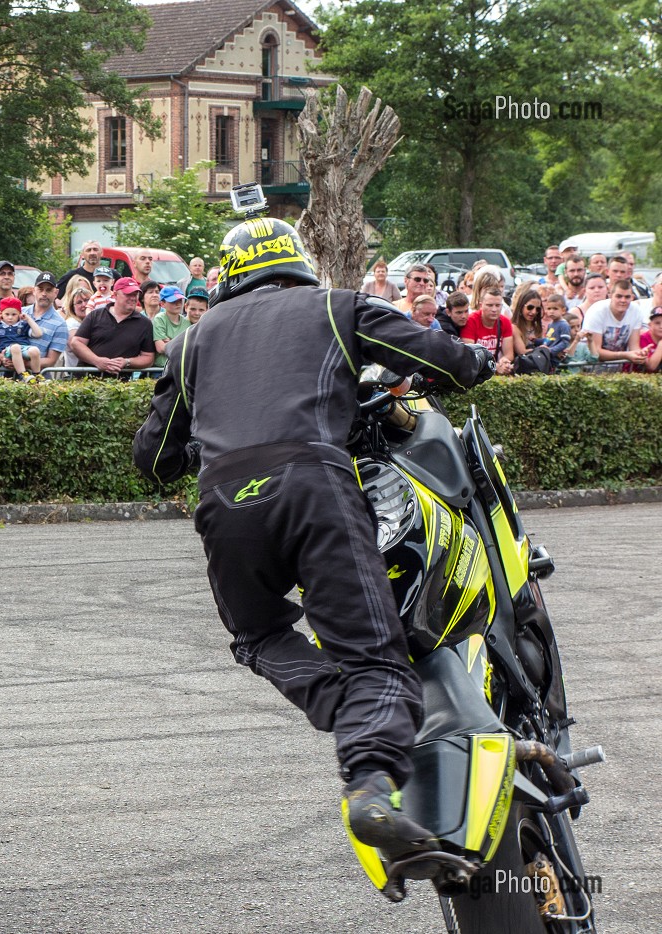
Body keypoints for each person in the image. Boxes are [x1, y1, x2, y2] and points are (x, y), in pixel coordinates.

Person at [132, 213, 492, 865]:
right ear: (297, 261)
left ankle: (350, 709)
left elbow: (152, 458)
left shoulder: (193, 339)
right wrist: (477, 361)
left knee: (262, 635)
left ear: (229, 275)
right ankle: (370, 783)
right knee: (376, 659)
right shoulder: (336, 305)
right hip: (312, 486)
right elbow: (433, 355)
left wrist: (203, 447)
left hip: (225, 505)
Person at [69, 276, 155, 377]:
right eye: (128, 294)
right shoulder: (95, 315)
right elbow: (76, 343)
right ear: (114, 295)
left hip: (120, 385)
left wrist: (127, 362)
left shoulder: (144, 324)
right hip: (85, 380)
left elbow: (148, 357)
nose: (133, 298)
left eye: (135, 294)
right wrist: (97, 361)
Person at [582, 280, 648, 370]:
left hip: (617, 368)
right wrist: (624, 355)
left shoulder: (636, 311)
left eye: (627, 297)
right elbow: (595, 352)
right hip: (590, 367)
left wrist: (640, 353)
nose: (623, 300)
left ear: (632, 298)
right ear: (610, 296)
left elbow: (634, 346)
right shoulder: (597, 311)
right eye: (619, 296)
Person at [0, 295, 43, 380]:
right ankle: (23, 375)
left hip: (23, 349)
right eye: (7, 314)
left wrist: (28, 319)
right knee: (15, 347)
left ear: (19, 314)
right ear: (1, 314)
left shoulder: (22, 325)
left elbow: (38, 334)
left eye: (14, 314)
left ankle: (37, 375)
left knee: (35, 350)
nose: (10, 317)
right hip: (7, 351)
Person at [151, 285, 189, 366]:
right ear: (162, 304)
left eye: (180, 300)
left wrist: (171, 342)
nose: (178, 304)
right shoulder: (160, 319)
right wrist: (180, 343)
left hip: (180, 366)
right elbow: (160, 348)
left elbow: (189, 348)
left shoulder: (187, 322)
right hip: (161, 368)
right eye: (173, 301)